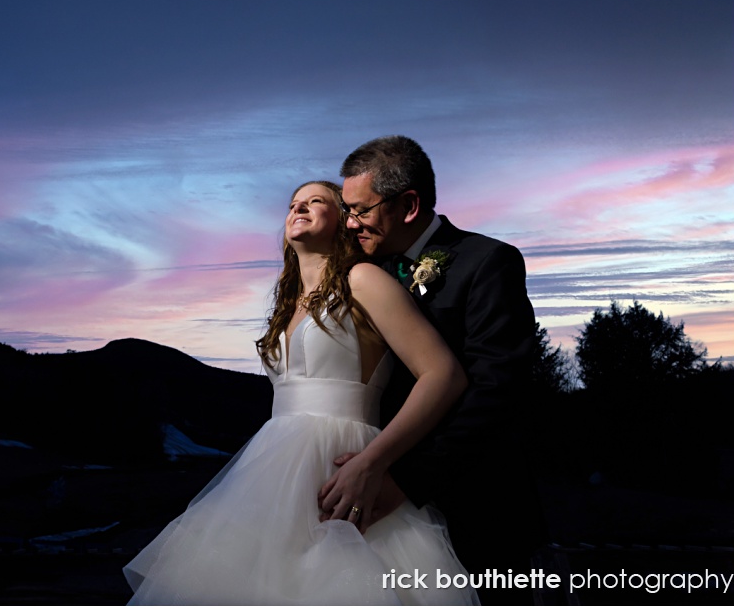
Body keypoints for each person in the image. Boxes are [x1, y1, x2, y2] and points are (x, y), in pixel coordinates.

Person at [123, 181, 479, 605]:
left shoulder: (362, 279)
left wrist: (373, 462)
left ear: (345, 220)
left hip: (343, 461)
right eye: (293, 203)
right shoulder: (287, 303)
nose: (299, 207)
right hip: (271, 470)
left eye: (316, 201)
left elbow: (442, 373)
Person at [320, 135, 542, 605]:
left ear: (409, 204)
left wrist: (404, 480)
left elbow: (497, 390)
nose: (350, 222)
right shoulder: (360, 273)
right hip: (371, 505)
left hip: (473, 506)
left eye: (361, 210)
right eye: (346, 209)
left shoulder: (486, 262)